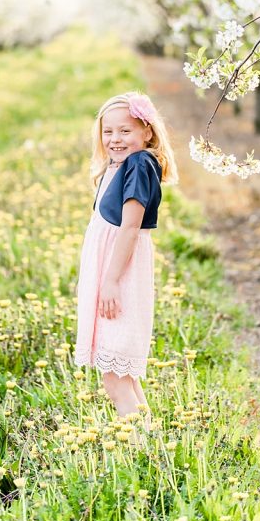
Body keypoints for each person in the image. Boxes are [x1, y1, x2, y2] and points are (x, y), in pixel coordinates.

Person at [73, 91, 178, 428]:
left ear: (147, 131)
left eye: (125, 131)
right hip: (111, 271)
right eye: (109, 132)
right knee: (125, 376)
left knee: (115, 377)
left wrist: (111, 280)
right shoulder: (120, 165)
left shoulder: (138, 164)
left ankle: (136, 449)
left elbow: (130, 227)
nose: (115, 139)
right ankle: (152, 444)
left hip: (120, 273)